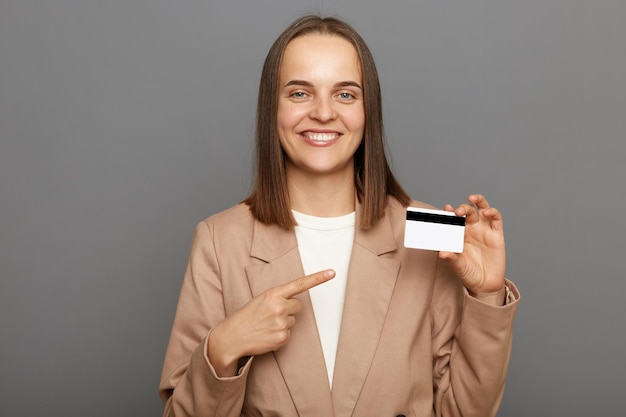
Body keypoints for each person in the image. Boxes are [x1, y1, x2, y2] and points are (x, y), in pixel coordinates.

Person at [159, 14, 519, 417]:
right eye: (299, 94)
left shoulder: (433, 227)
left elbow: (468, 411)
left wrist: (486, 295)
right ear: (271, 109)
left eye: (345, 95)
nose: (324, 113)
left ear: (369, 112)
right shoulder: (218, 238)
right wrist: (222, 348)